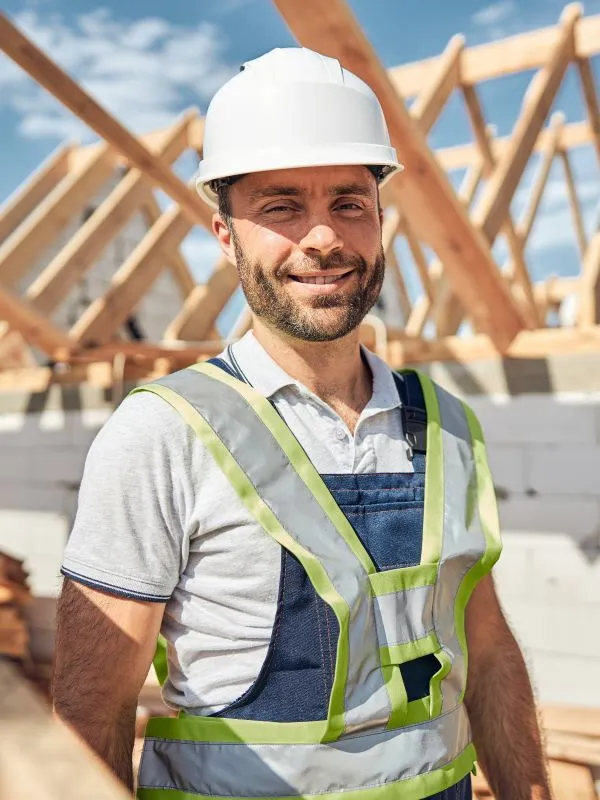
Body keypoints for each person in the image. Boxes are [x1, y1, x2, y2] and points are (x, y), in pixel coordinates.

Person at [53, 48, 551, 800]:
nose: (323, 238)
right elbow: (94, 705)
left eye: (349, 203)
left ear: (379, 220)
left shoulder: (446, 424)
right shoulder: (162, 434)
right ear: (226, 235)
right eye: (281, 207)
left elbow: (488, 651)